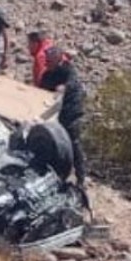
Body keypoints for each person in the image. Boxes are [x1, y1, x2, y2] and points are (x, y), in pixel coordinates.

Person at [39, 46, 86, 186]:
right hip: (54, 116)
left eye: (50, 60)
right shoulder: (47, 76)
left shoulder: (68, 70)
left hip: (71, 112)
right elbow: (40, 93)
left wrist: (64, 88)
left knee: (74, 143)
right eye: (46, 60)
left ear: (58, 59)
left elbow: (72, 82)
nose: (47, 63)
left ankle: (81, 178)